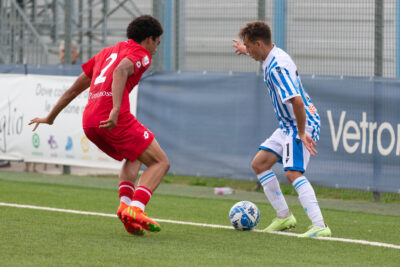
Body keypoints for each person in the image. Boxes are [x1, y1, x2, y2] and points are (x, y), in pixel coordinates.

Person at [29, 15, 169, 236]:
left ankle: (124, 206)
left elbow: (73, 90)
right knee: (160, 162)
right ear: (150, 39)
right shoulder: (140, 53)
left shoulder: (105, 53)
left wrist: (50, 117)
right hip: (113, 118)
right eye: (158, 43)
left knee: (134, 155)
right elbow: (121, 70)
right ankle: (136, 208)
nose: (156, 49)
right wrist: (115, 109)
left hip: (90, 122)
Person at [232, 21, 331, 238]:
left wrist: (302, 133)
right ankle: (284, 216)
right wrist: (244, 49)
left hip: (300, 122)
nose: (247, 51)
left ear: (259, 43)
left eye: (249, 46)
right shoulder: (270, 55)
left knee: (293, 172)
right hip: (289, 125)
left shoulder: (277, 66)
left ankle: (320, 225)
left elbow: (297, 101)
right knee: (259, 164)